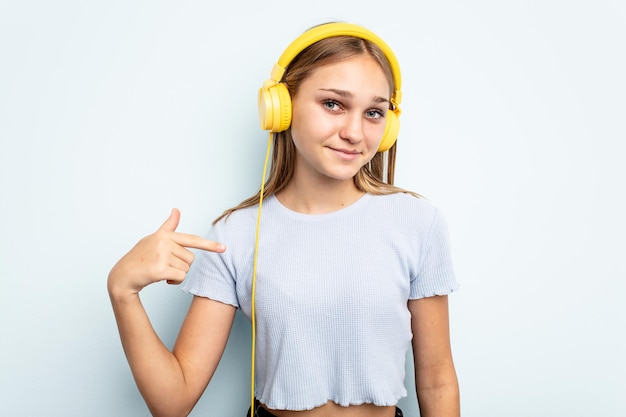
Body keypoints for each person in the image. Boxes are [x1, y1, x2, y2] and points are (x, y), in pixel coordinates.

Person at [108, 22, 460, 417]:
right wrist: (123, 293)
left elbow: (437, 377)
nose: (354, 132)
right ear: (281, 106)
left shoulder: (417, 222)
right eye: (333, 104)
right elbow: (172, 402)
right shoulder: (235, 234)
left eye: (374, 112)